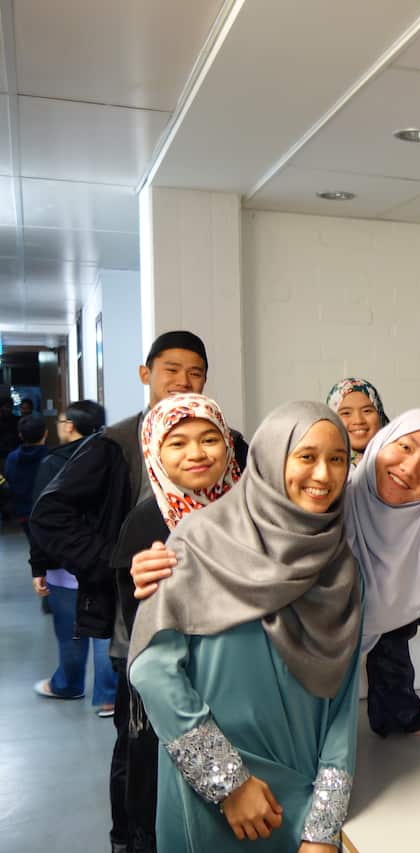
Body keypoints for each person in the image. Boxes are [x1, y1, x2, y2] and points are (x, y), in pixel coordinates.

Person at [29, 330, 246, 853]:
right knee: (140, 747)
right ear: (146, 374)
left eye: (195, 372)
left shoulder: (229, 441)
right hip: (140, 630)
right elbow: (50, 514)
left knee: (215, 734)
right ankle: (131, 840)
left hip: (221, 631)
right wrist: (117, 563)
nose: (183, 380)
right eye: (171, 369)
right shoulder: (116, 443)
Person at [128, 401, 363, 852]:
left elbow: (344, 702)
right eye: (306, 456)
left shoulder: (340, 568)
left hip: (300, 790)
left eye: (337, 459)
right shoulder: (198, 541)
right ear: (272, 457)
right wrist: (229, 783)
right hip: (212, 793)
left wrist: (323, 826)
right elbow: (152, 671)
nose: (323, 474)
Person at [113, 393, 242, 853]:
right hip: (178, 701)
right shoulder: (146, 522)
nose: (196, 453)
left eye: (209, 438)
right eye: (178, 442)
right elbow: (141, 633)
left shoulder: (249, 510)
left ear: (228, 444)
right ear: (154, 451)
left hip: (244, 691)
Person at [349, 409, 420, 737]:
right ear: (381, 443)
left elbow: (393, 640)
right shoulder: (328, 511)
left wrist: (405, 716)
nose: (410, 468)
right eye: (405, 447)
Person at [30, 402, 113, 711]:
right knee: (106, 627)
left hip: (65, 564)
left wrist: (38, 566)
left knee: (71, 632)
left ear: (70, 426)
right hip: (105, 559)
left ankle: (68, 685)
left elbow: (41, 519)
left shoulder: (53, 463)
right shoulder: (116, 457)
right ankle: (108, 697)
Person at [326, 377, 389, 467]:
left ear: (380, 416)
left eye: (367, 411)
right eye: (346, 413)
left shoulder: (400, 464)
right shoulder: (322, 468)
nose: (358, 420)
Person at [6, 414, 49, 540]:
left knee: (33, 542)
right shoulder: (51, 456)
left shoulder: (11, 458)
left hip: (22, 511)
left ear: (20, 435)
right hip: (46, 511)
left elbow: (9, 481)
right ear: (46, 433)